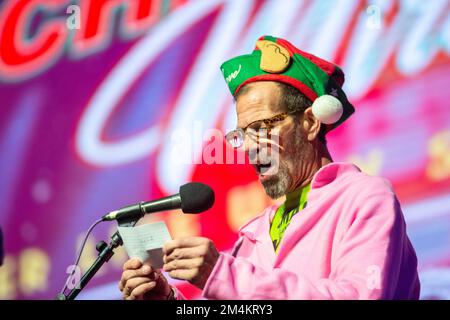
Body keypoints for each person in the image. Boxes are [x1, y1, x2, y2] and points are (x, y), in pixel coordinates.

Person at [118, 35, 420, 300]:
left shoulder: (364, 198)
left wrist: (223, 274)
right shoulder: (255, 234)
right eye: (241, 134)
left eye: (262, 127)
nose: (249, 147)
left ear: (311, 122)